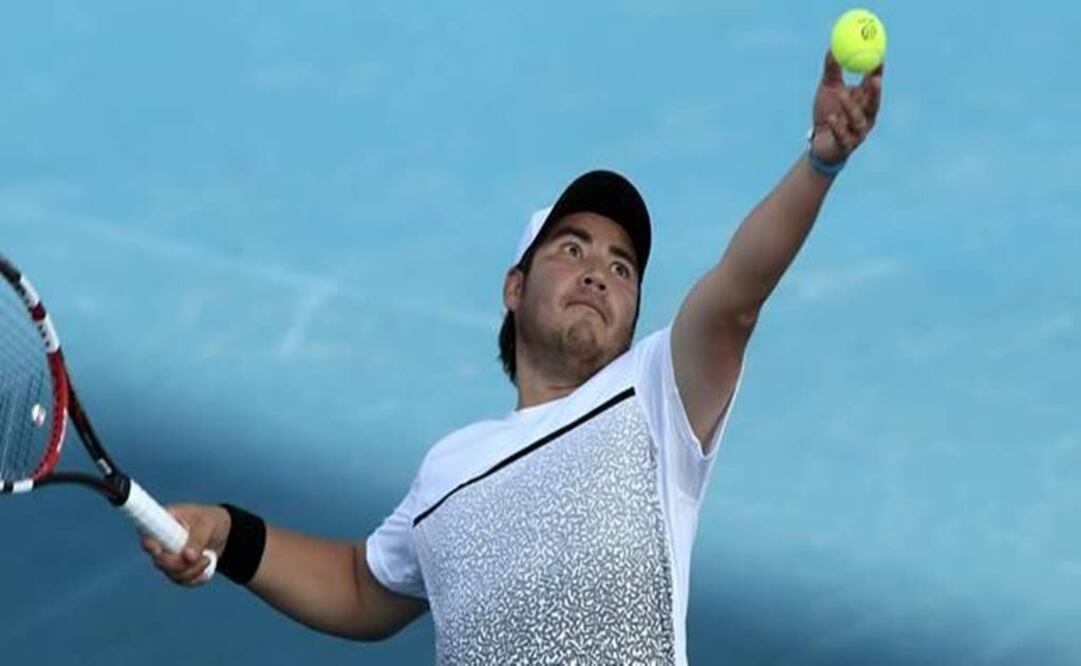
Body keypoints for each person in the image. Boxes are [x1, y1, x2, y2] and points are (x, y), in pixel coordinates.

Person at [142, 51, 883, 664]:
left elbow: (736, 296)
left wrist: (818, 164)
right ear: (514, 286)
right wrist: (228, 533)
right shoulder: (447, 468)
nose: (599, 271)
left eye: (623, 267)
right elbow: (360, 589)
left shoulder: (656, 397)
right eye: (571, 249)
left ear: (632, 320)